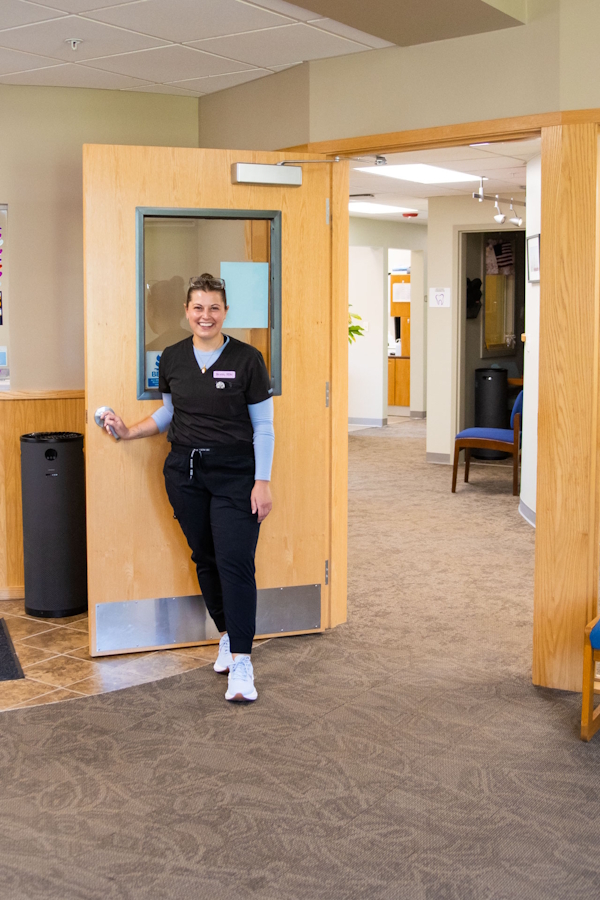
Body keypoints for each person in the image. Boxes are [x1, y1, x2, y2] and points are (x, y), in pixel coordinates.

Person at [101, 273, 274, 702]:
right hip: (185, 473)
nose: (206, 315)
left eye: (214, 307)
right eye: (198, 307)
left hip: (237, 474)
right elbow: (167, 416)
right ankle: (228, 635)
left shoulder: (249, 359)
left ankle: (243, 662)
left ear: (225, 312)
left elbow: (264, 426)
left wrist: (263, 480)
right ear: (186, 311)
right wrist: (127, 431)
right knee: (206, 557)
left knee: (235, 562)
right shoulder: (173, 358)